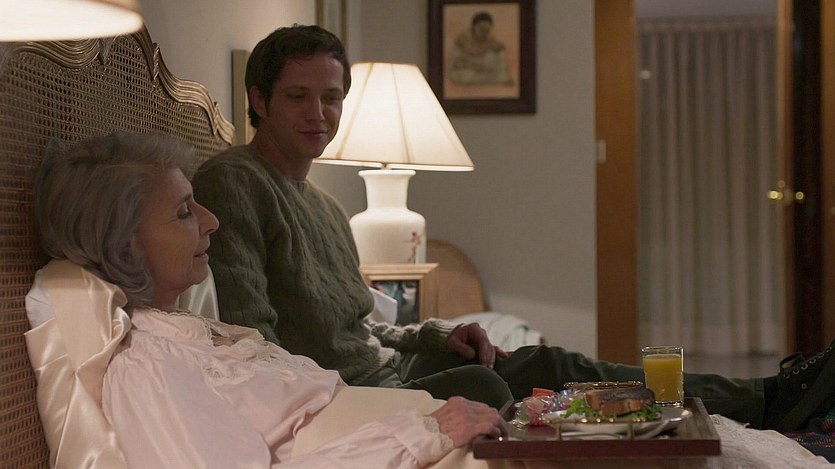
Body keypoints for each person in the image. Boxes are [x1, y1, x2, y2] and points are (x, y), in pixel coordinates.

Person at [192, 24, 835, 434]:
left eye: (331, 97)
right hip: (354, 392)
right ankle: (759, 401)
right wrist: (358, 401)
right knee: (486, 385)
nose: (319, 113)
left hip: (390, 367)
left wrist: (441, 333)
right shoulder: (233, 182)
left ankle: (762, 398)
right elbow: (253, 342)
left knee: (545, 360)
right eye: (298, 96)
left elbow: (360, 326)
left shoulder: (325, 204)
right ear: (259, 99)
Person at [30, 131, 519, 468]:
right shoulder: (146, 365)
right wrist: (424, 433)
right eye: (183, 212)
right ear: (125, 245)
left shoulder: (194, 333)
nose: (211, 221)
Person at [447, 11, 514, 86]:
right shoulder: (463, 37)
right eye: (482, 29)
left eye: (487, 30)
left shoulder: (488, 38)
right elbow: (472, 50)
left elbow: (497, 48)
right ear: (473, 27)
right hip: (462, 72)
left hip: (478, 71)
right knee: (466, 76)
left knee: (499, 53)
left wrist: (497, 46)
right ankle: (497, 79)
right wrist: (490, 45)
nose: (484, 33)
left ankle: (501, 78)